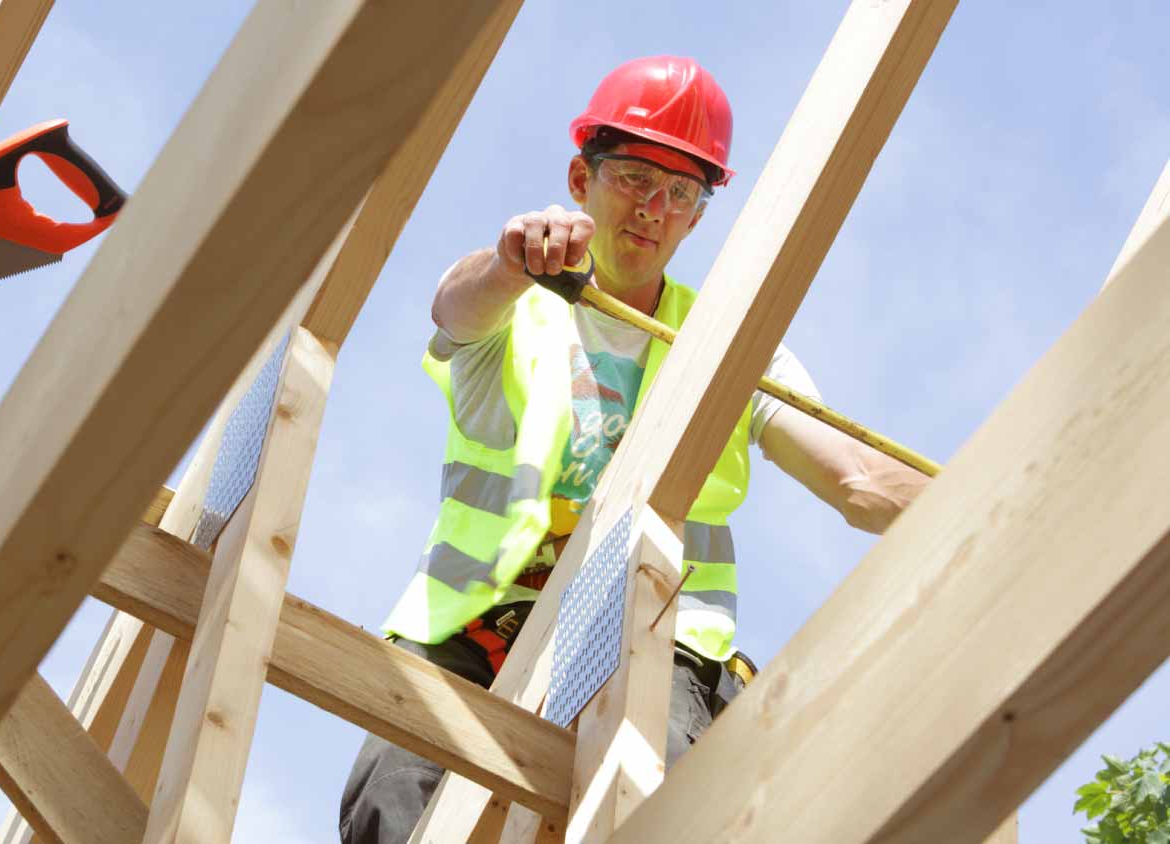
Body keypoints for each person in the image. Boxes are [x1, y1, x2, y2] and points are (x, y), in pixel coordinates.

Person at [339, 55, 930, 844]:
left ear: (697, 217)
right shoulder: (516, 302)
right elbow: (457, 304)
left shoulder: (736, 343)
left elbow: (859, 479)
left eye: (680, 191)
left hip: (653, 639)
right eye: (634, 178)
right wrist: (513, 259)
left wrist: (1016, 493)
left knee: (668, 817)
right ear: (580, 181)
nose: (654, 207)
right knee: (393, 795)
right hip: (478, 628)